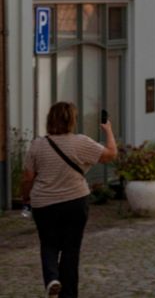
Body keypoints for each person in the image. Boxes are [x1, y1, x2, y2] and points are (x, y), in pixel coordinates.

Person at [20, 102, 117, 297]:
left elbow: (27, 177)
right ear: (72, 120)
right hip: (75, 202)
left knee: (48, 244)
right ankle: (69, 294)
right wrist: (109, 130)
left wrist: (26, 198)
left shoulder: (37, 144)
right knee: (71, 249)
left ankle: (52, 278)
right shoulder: (81, 142)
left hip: (44, 204)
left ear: (50, 120)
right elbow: (111, 154)